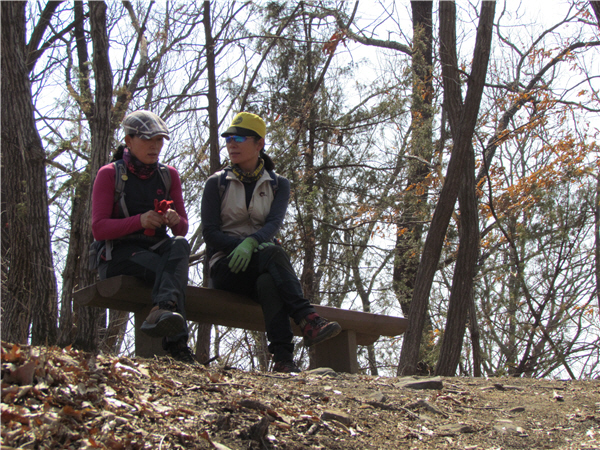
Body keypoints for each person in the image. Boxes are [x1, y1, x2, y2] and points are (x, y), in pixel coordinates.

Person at [201, 112, 342, 373]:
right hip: (225, 267)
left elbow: (273, 224)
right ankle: (307, 318)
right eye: (228, 139)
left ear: (259, 143)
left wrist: (253, 243)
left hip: (262, 265)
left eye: (239, 138)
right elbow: (209, 234)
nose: (231, 144)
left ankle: (283, 359)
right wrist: (240, 245)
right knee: (274, 253)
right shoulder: (216, 183)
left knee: (269, 281)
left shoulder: (278, 184)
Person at [91, 110, 195, 364]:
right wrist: (139, 221)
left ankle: (163, 310)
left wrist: (174, 220)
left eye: (159, 140)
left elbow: (182, 229)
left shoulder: (168, 175)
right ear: (128, 140)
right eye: (147, 139)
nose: (154, 146)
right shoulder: (109, 173)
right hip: (117, 254)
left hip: (156, 249)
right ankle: (179, 347)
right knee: (169, 271)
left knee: (179, 246)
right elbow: (99, 228)